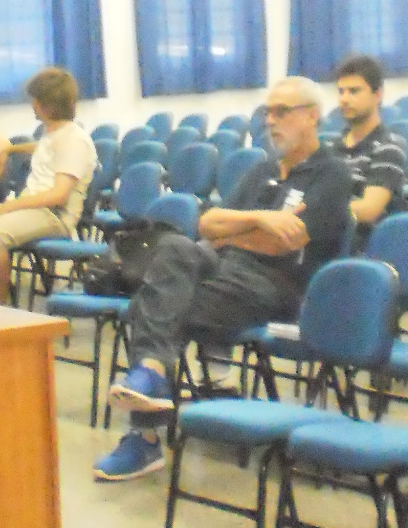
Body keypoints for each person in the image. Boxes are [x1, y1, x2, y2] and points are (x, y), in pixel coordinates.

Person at [94, 75, 354, 483]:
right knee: (174, 247)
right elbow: (207, 224)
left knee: (157, 302)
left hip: (277, 285)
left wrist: (236, 231)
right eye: (268, 112)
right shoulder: (263, 169)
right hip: (224, 267)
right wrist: (259, 218)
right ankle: (152, 377)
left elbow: (281, 244)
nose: (270, 121)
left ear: (311, 116)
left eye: (282, 112)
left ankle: (144, 431)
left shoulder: (332, 174)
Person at [0, 68, 96, 305]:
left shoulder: (74, 140)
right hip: (36, 209)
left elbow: (58, 196)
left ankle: (0, 309)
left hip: (54, 215)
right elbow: (41, 148)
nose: (32, 104)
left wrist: (9, 207)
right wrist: (8, 149)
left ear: (47, 105)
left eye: (35, 100)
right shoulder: (54, 134)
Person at [331, 54, 408, 242]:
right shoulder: (330, 148)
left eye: (354, 91)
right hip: (326, 238)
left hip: (362, 245)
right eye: (341, 92)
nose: (344, 99)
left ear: (378, 94)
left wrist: (316, 210)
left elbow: (368, 210)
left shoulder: (389, 147)